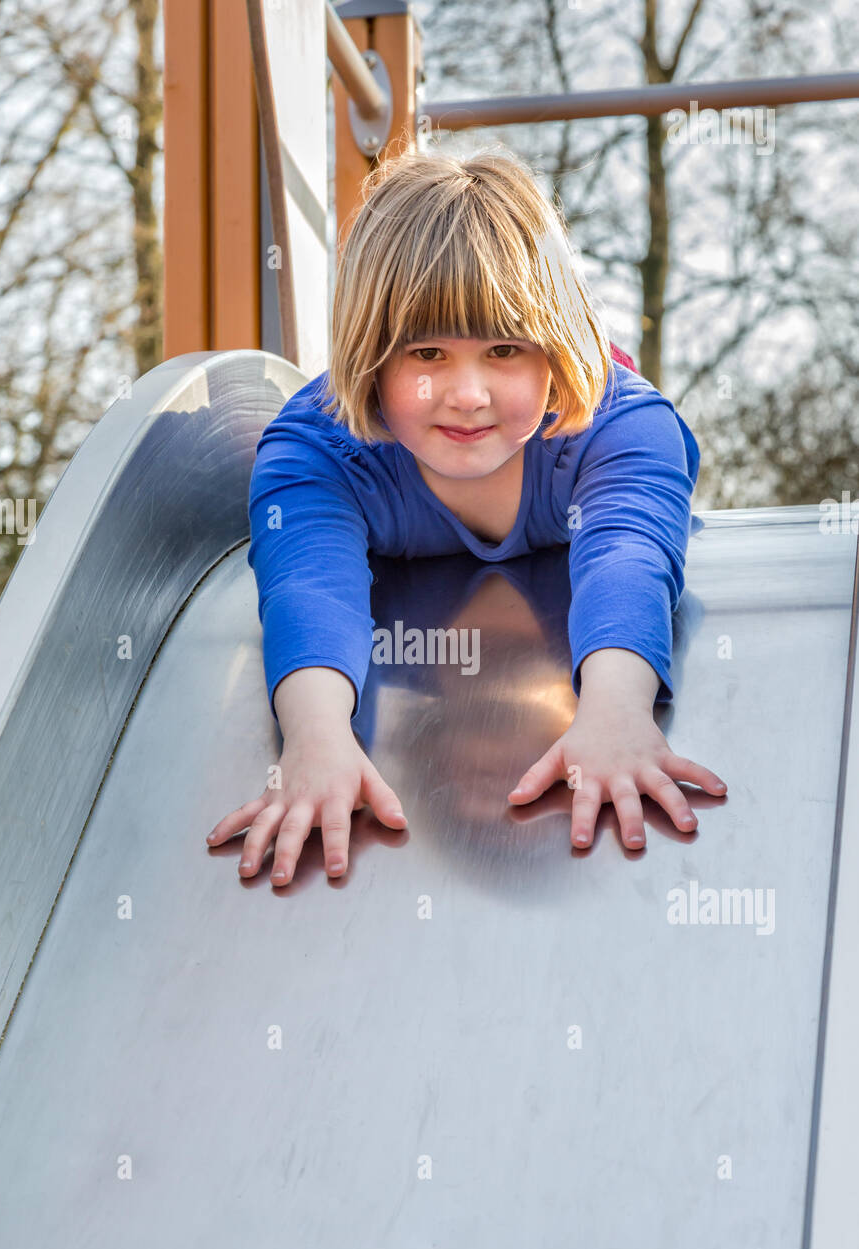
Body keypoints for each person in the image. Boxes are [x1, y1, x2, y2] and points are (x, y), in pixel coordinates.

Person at [206, 146, 727, 885]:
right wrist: (315, 737)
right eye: (426, 353)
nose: (468, 393)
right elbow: (309, 585)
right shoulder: (318, 453)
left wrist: (615, 710)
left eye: (505, 349)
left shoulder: (617, 429)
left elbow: (628, 554)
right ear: (369, 358)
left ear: (553, 351)